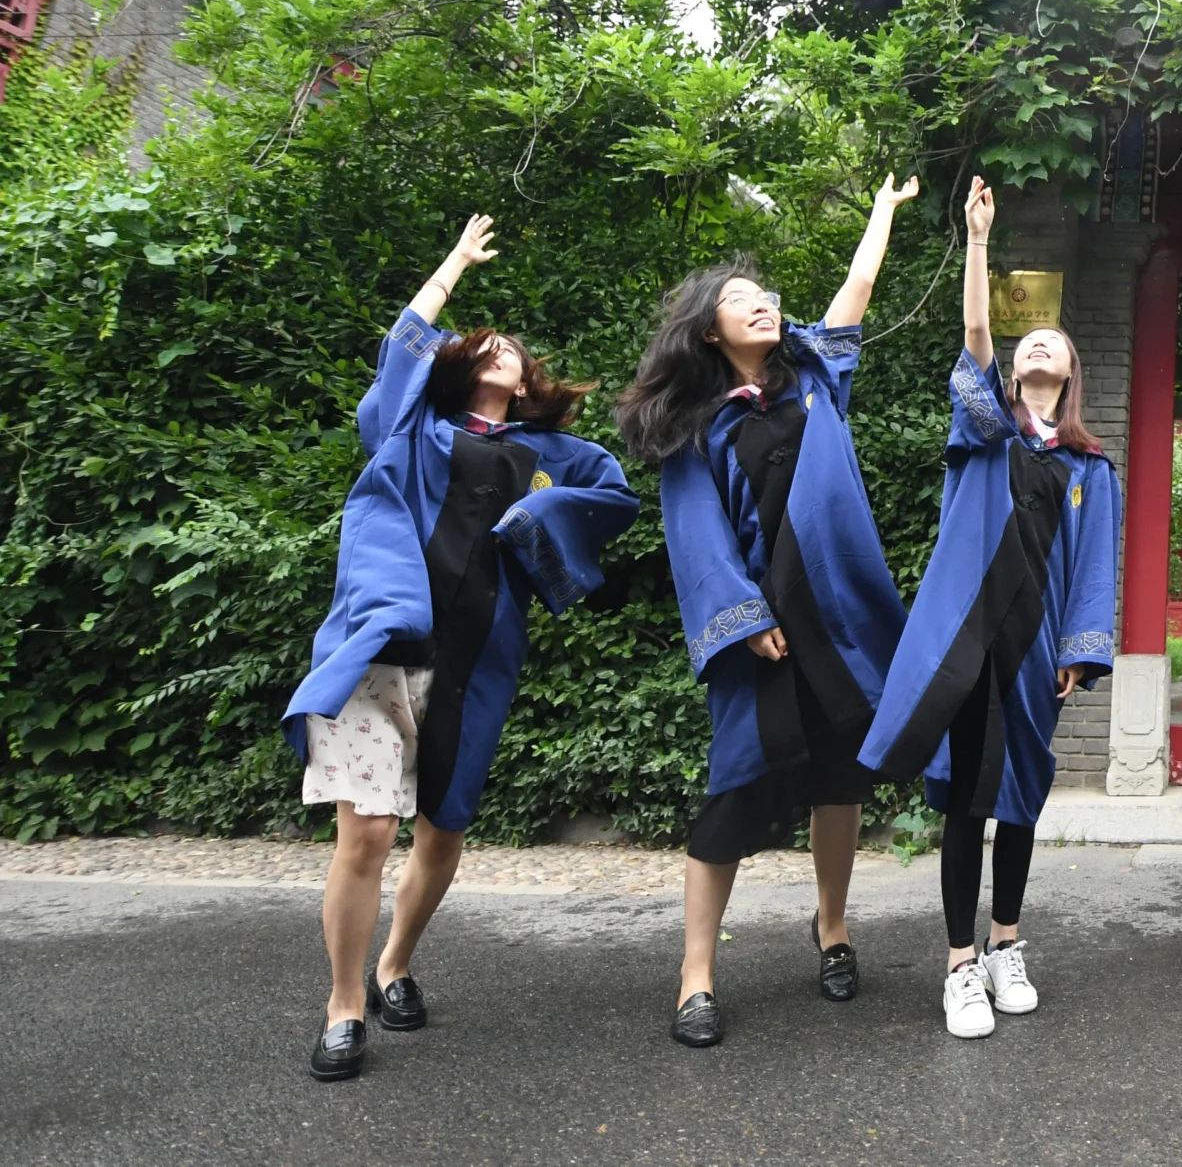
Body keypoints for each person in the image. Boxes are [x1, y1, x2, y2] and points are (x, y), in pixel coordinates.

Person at [286, 215, 641, 1082]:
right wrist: (451, 266)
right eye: (478, 344)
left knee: (443, 829)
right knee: (367, 832)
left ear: (525, 381)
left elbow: (613, 493)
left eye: (507, 347)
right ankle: (343, 1008)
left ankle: (394, 962)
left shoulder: (544, 454)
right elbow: (397, 363)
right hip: (379, 652)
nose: (494, 351)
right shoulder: (409, 434)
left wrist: (537, 517)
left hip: (475, 663)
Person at [616, 176, 919, 1050]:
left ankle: (832, 928)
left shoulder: (816, 382)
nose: (764, 308)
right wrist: (743, 616)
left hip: (833, 620)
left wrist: (883, 214)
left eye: (770, 299)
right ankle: (696, 974)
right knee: (733, 794)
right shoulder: (695, 424)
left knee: (840, 781)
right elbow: (696, 535)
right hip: (762, 627)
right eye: (743, 302)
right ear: (710, 327)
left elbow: (854, 297)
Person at [859, 176, 1123, 1040]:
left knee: (1021, 798)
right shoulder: (986, 435)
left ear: (1071, 373)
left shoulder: (1091, 467)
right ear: (1014, 371)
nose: (1039, 349)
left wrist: (1082, 651)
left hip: (1038, 648)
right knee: (970, 801)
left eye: (1055, 343)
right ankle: (959, 964)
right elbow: (975, 335)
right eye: (1029, 343)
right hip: (975, 642)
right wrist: (978, 242)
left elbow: (1092, 568)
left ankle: (1007, 942)